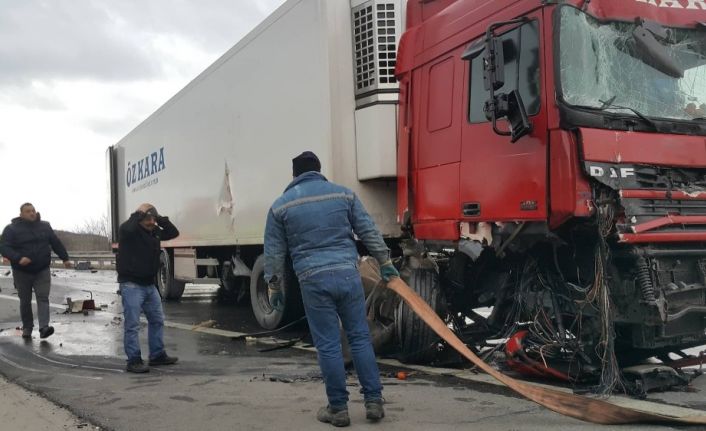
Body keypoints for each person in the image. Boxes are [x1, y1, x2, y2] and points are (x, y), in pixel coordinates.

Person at [264, 151, 400, 427]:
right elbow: (368, 231)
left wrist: (275, 287)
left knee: (328, 344)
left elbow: (274, 253)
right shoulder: (343, 195)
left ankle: (338, 408)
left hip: (313, 279)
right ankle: (373, 401)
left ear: (294, 175)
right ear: (319, 170)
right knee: (360, 338)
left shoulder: (280, 206)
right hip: (347, 275)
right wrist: (385, 262)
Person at [117, 203, 180, 373]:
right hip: (131, 285)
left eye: (153, 219)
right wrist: (138, 213)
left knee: (157, 320)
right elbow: (126, 229)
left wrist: (158, 218)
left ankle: (157, 355)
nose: (151, 222)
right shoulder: (130, 232)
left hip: (149, 285)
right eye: (148, 219)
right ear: (140, 219)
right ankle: (134, 360)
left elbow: (174, 232)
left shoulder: (155, 233)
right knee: (133, 324)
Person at [0, 203, 71, 339]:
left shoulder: (45, 226)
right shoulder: (11, 229)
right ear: (21, 214)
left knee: (43, 298)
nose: (32, 213)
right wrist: (18, 258)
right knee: (25, 300)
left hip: (42, 269)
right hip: (21, 271)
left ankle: (44, 327)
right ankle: (27, 327)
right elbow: (4, 247)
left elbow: (55, 242)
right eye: (28, 211)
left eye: (33, 211)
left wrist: (65, 258)